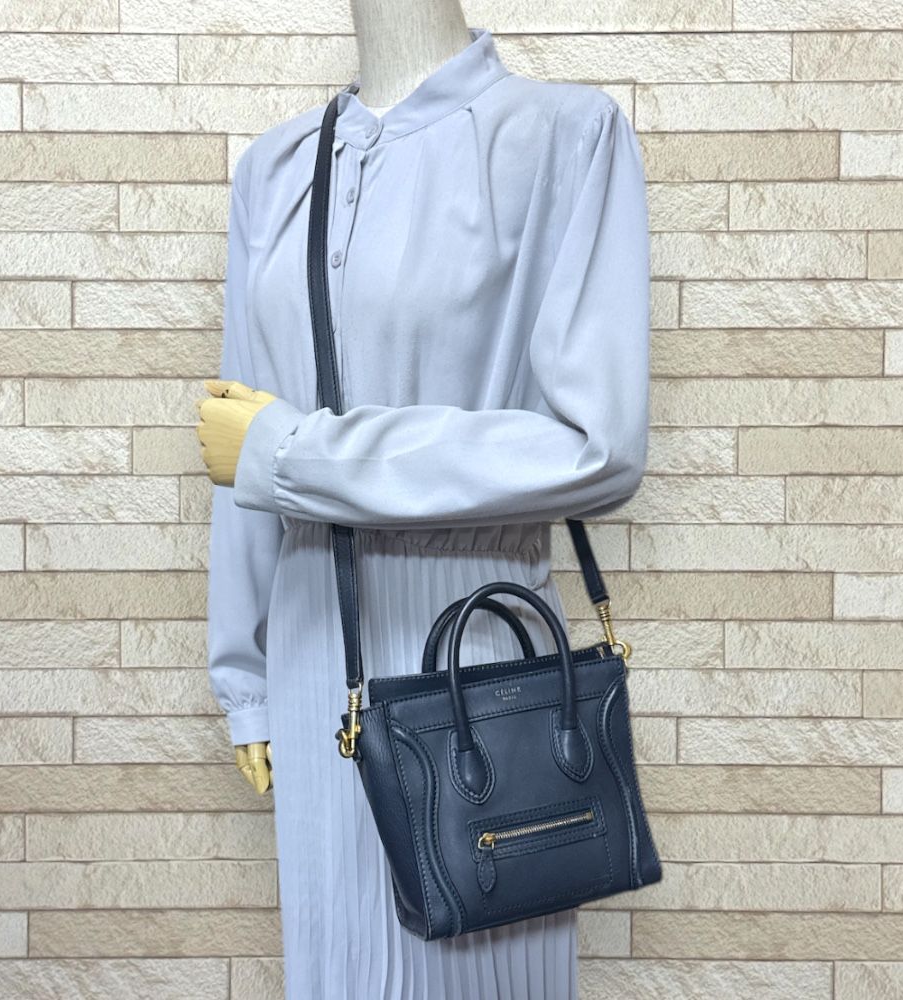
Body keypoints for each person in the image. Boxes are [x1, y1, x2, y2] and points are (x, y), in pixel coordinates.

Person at [196, 20, 650, 1000]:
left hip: (481, 649)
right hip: (315, 653)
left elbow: (598, 446)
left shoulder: (563, 136)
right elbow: (242, 442)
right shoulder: (275, 172)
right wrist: (245, 676)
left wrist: (301, 455)